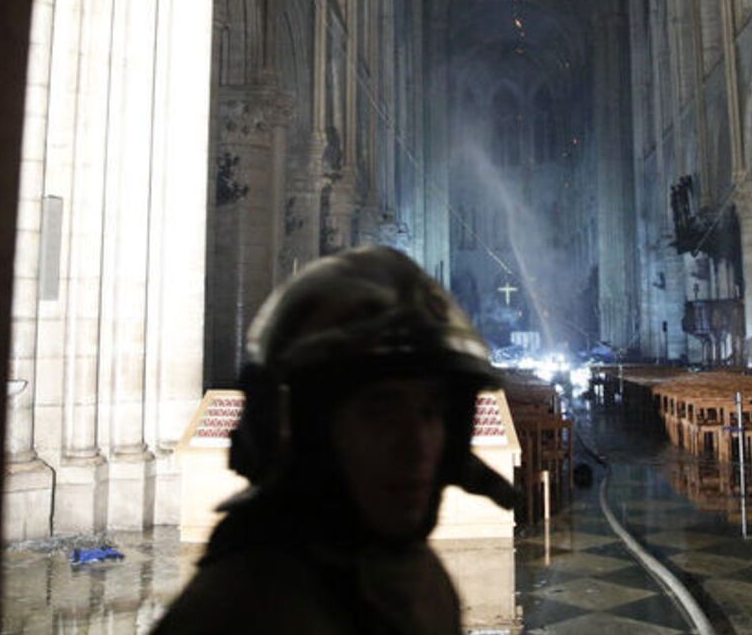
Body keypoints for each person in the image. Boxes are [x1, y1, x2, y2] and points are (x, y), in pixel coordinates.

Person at [155, 245, 515, 635]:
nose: (419, 448)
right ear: (302, 427)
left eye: (432, 411)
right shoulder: (238, 611)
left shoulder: (413, 572)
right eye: (380, 411)